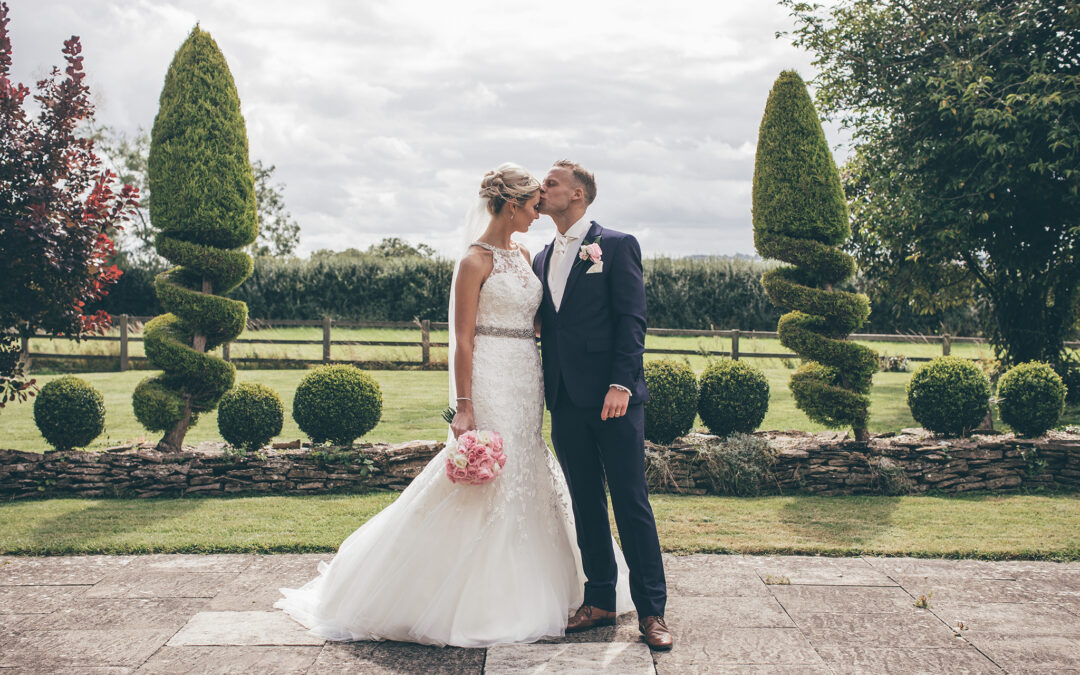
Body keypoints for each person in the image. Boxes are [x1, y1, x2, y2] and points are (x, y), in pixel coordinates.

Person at [275, 163, 630, 648]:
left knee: (527, 467)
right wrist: (463, 407)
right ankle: (473, 597)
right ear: (511, 205)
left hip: (528, 378)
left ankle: (561, 585)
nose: (538, 211)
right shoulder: (474, 262)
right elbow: (462, 341)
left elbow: (551, 317)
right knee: (491, 480)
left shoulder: (528, 254)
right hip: (489, 378)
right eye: (532, 204)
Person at [531, 160, 672, 650]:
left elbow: (632, 320)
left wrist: (622, 384)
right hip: (566, 400)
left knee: (632, 504)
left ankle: (652, 612)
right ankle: (600, 601)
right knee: (585, 502)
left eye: (550, 183)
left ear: (577, 194)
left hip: (616, 400)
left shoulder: (614, 245)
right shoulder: (541, 257)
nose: (540, 188)